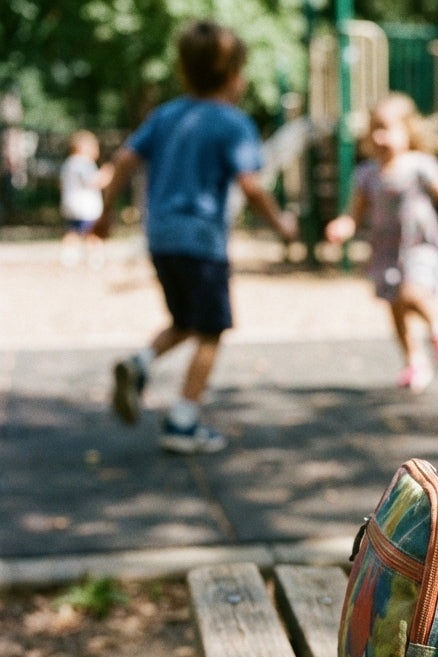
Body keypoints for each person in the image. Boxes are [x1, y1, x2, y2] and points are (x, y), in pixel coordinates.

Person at [94, 19, 298, 454]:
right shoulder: (233, 123)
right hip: (201, 239)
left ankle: (139, 362)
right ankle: (183, 421)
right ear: (234, 76)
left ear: (185, 71)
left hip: (160, 236)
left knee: (185, 321)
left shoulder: (166, 114)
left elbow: (123, 160)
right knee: (211, 329)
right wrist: (280, 224)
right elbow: (252, 184)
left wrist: (104, 214)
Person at [324, 92, 438, 394]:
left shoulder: (419, 165)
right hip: (386, 249)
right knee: (395, 307)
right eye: (375, 129)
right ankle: (414, 361)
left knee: (411, 293)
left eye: (387, 128)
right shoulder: (367, 174)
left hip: (420, 245)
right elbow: (354, 213)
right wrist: (342, 227)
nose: (380, 137)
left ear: (408, 131)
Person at [59, 130, 112, 268]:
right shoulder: (83, 163)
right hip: (86, 206)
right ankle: (95, 259)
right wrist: (107, 174)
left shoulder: (68, 163)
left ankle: (68, 257)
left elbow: (61, 184)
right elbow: (93, 181)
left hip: (71, 205)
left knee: (72, 232)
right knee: (93, 233)